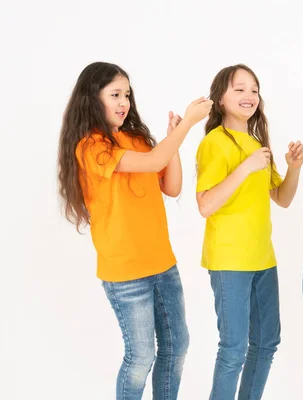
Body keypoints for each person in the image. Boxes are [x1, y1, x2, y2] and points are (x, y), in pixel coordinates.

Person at [57, 62, 212, 399]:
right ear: (92, 99)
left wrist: (173, 137)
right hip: (126, 274)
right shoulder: (90, 147)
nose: (123, 101)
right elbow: (154, 162)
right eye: (114, 94)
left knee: (177, 346)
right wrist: (184, 126)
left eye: (126, 94)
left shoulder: (136, 137)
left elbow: (171, 186)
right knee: (141, 356)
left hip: (162, 264)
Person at [195, 64, 303, 400]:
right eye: (239, 89)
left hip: (262, 258)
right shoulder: (215, 143)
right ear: (219, 98)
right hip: (230, 260)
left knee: (267, 342)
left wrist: (294, 168)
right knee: (233, 348)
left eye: (254, 90)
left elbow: (282, 199)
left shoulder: (258, 143)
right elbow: (205, 204)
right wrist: (245, 167)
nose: (249, 96)